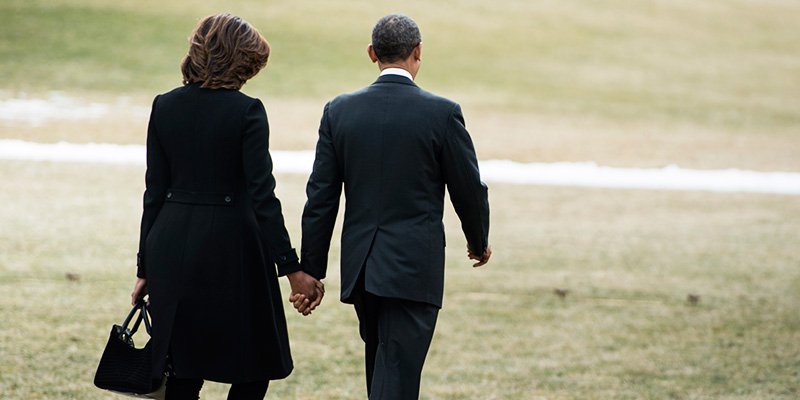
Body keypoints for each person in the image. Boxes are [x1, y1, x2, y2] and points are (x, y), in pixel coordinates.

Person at [294, 13, 492, 400]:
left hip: (363, 268)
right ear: (418, 52)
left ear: (372, 54)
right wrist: (478, 240)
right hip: (414, 268)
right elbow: (469, 189)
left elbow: (320, 198)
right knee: (396, 373)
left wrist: (311, 270)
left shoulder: (339, 111)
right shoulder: (442, 112)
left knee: (384, 365)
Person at [130, 14, 323, 400]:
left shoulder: (164, 106)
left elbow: (154, 193)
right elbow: (263, 196)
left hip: (170, 246)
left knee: (182, 365)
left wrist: (144, 268)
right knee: (254, 365)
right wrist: (291, 268)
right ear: (240, 61)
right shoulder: (248, 111)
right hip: (232, 248)